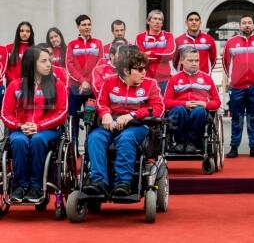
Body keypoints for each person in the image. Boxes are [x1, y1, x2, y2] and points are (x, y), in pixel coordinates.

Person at [83, 49, 164, 197]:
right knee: (95, 138)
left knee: (126, 138)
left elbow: (159, 109)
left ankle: (123, 182)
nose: (144, 72)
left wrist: (132, 115)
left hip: (137, 125)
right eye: (139, 69)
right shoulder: (109, 82)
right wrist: (105, 113)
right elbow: (101, 103)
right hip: (110, 123)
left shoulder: (150, 84)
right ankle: (98, 181)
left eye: (144, 68)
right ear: (126, 70)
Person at [1, 46, 67, 202]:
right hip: (20, 130)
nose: (49, 64)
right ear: (31, 64)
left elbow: (62, 113)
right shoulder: (15, 86)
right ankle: (20, 186)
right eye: (43, 61)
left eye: (49, 60)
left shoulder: (57, 85)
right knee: (17, 140)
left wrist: (39, 126)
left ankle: (37, 187)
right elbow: (5, 113)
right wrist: (19, 126)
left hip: (47, 131)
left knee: (37, 140)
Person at [164, 47, 221, 153]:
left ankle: (192, 143)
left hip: (200, 111)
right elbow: (166, 103)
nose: (194, 63)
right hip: (180, 112)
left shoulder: (207, 78)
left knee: (199, 111)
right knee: (179, 110)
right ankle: (180, 143)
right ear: (182, 61)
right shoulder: (174, 79)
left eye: (197, 60)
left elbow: (217, 102)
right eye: (190, 60)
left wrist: (205, 104)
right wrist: (184, 104)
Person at [222, 15, 254, 158]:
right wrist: (232, 79)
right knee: (236, 118)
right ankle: (234, 147)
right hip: (237, 87)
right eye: (244, 23)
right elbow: (225, 63)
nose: (247, 25)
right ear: (240, 26)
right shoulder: (231, 42)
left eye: (249, 23)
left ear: (253, 26)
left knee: (253, 118)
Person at [66, 14, 103, 142]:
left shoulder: (98, 43)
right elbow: (69, 65)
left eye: (89, 24)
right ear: (78, 27)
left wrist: (88, 82)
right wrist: (82, 81)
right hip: (76, 87)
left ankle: (89, 145)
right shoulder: (72, 44)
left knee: (91, 118)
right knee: (73, 117)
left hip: (91, 88)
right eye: (84, 25)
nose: (87, 27)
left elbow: (99, 66)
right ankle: (73, 146)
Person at [135, 10, 176, 94]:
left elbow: (170, 54)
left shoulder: (168, 36)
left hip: (164, 79)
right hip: (146, 77)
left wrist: (150, 53)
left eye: (160, 19)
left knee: (164, 105)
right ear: (148, 21)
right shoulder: (140, 37)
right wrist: (161, 56)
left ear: (162, 23)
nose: (157, 22)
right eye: (155, 19)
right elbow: (140, 57)